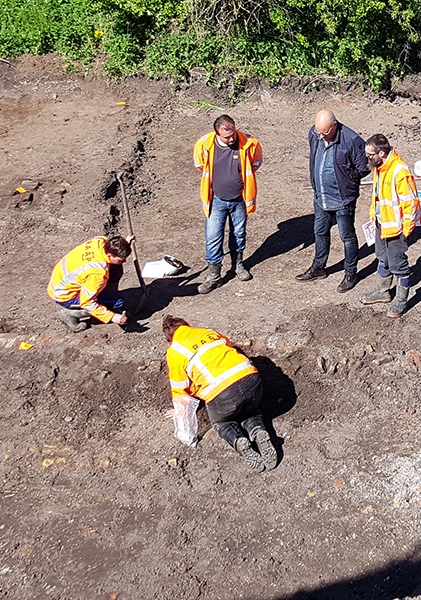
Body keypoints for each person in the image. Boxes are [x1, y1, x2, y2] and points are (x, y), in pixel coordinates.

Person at [162, 315, 277, 472]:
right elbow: (228, 348)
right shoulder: (207, 332)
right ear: (187, 326)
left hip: (222, 393)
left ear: (170, 338)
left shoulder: (174, 351)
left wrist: (180, 410)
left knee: (223, 422)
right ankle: (258, 430)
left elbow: (179, 388)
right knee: (250, 411)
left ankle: (238, 440)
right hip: (252, 379)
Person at [295, 109, 370, 293]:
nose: (320, 136)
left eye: (325, 132)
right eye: (318, 131)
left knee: (347, 237)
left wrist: (348, 177)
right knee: (320, 232)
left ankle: (351, 273)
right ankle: (318, 267)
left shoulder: (352, 141)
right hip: (321, 197)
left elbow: (365, 167)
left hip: (343, 199)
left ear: (334, 125)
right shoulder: (315, 133)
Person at [193, 114, 263, 294]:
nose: (232, 138)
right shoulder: (204, 144)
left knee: (238, 233)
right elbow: (200, 165)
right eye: (227, 136)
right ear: (217, 133)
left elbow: (256, 163)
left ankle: (237, 265)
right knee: (213, 237)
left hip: (239, 199)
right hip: (216, 200)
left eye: (233, 133)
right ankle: (214, 276)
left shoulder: (248, 143)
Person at [359, 134, 421, 317]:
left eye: (370, 155)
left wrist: (406, 230)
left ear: (381, 153)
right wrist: (373, 215)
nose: (367, 159)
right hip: (381, 224)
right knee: (382, 257)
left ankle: (401, 300)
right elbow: (378, 196)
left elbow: (410, 203)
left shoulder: (399, 171)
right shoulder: (379, 167)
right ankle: (382, 291)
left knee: (398, 264)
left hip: (397, 228)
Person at [47, 234, 135, 332]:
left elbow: (114, 250)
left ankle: (108, 296)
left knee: (116, 268)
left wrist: (125, 244)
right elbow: (87, 302)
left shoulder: (101, 241)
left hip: (62, 280)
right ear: (110, 255)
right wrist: (112, 316)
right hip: (65, 295)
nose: (125, 261)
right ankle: (69, 313)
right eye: (122, 259)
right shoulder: (97, 273)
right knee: (115, 303)